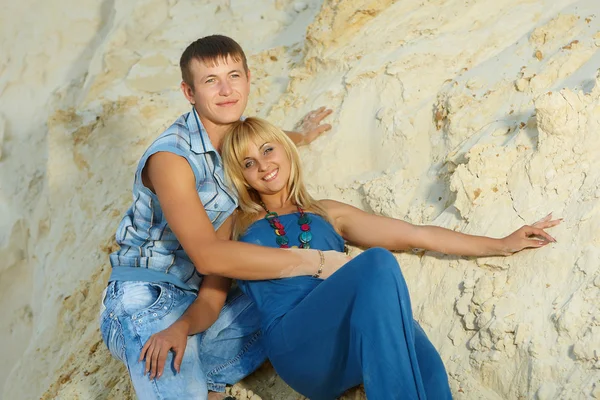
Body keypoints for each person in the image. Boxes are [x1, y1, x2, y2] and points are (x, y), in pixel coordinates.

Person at [143, 117, 561, 399]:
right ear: (241, 175)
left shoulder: (330, 213)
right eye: (249, 163)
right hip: (297, 345)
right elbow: (210, 299)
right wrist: (180, 327)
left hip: (354, 343)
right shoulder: (236, 224)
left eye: (269, 150)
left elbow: (416, 235)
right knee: (376, 265)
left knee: (422, 354)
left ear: (287, 150)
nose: (264, 166)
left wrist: (501, 243)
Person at [99, 35, 351, 400]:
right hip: (147, 296)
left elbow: (264, 144)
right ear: (189, 93)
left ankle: (206, 378)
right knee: (303, 276)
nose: (226, 90)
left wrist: (299, 136)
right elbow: (207, 255)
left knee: (295, 297)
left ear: (249, 78)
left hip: (201, 300)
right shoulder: (172, 158)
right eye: (210, 81)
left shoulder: (235, 134)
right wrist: (316, 261)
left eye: (234, 76)